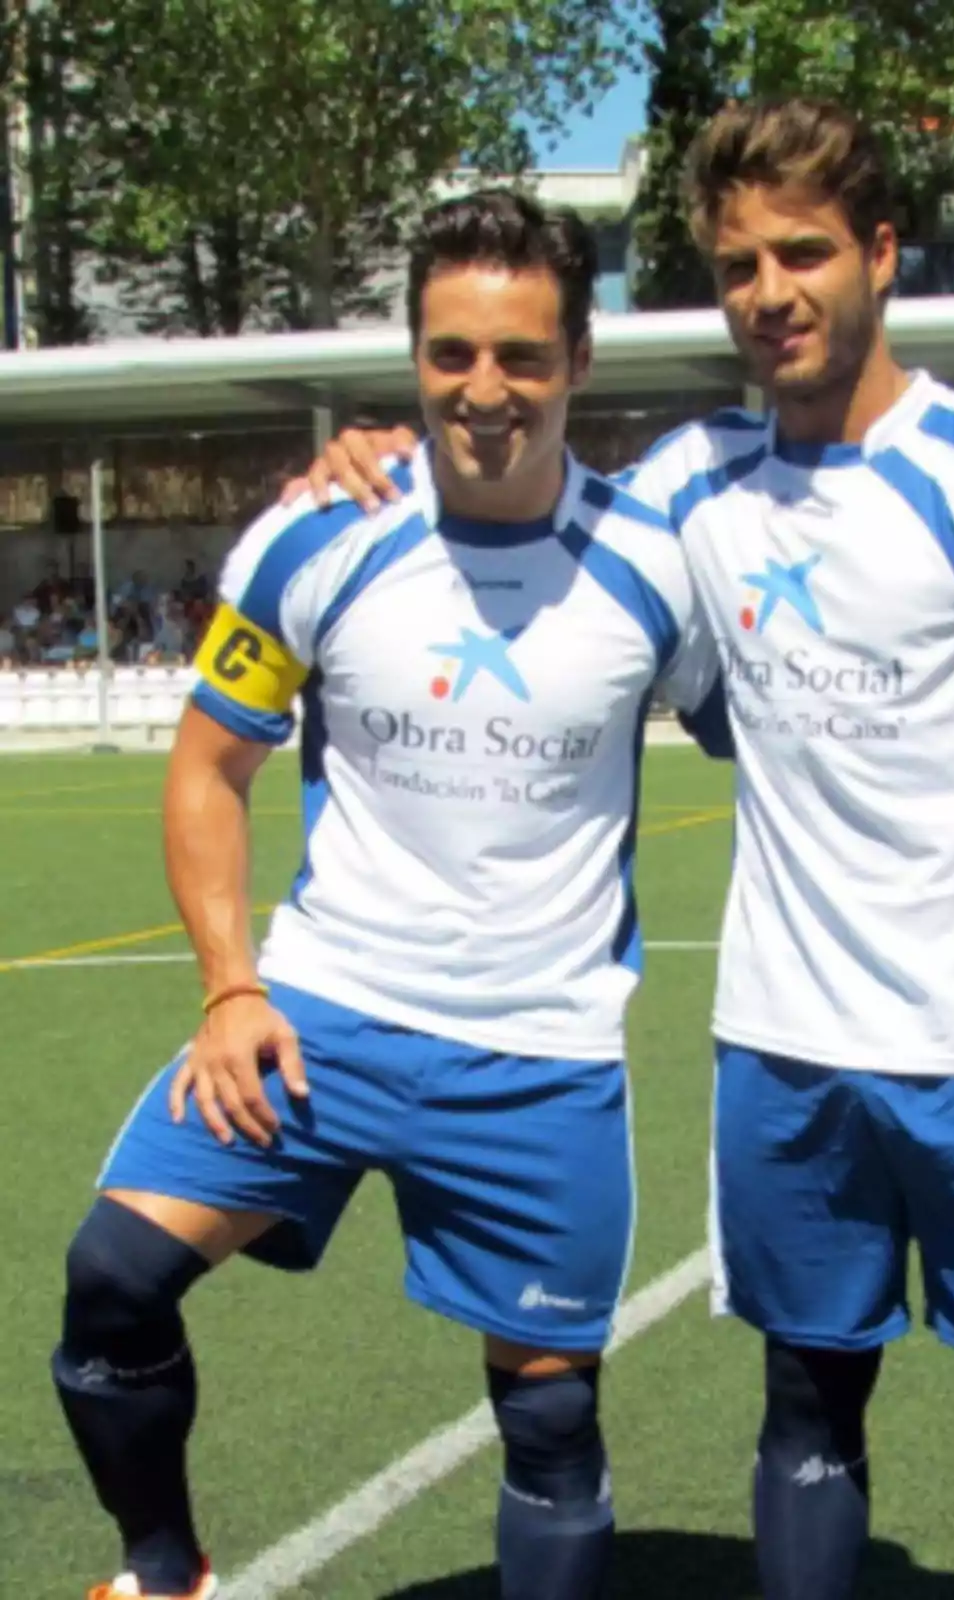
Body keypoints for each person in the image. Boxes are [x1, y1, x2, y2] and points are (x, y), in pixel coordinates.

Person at [301, 99, 954, 1600]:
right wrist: (373, 455)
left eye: (804, 252)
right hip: (782, 1047)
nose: (771, 291)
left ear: (881, 255)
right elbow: (518, 487)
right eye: (739, 264)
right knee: (805, 1407)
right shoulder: (688, 489)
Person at [51, 190, 724, 1600]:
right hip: (321, 1015)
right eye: (453, 353)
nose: (486, 391)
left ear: (578, 363)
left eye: (523, 357)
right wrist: (232, 987)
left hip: (538, 1055)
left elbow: (775, 743)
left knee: (549, 1423)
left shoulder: (655, 567)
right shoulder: (320, 534)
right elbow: (205, 771)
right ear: (414, 356)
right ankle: (162, 1575)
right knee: (113, 1278)